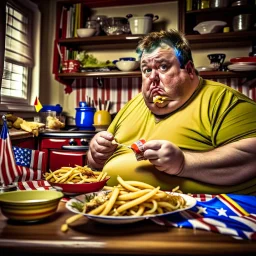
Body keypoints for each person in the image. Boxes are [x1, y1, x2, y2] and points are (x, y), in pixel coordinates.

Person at [87, 29, 256, 194]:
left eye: (163, 67)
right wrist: (96, 155)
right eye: (146, 70)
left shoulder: (223, 100)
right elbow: (95, 163)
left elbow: (251, 157)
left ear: (189, 70)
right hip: (109, 205)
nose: (152, 78)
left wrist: (184, 164)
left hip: (201, 214)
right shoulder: (133, 104)